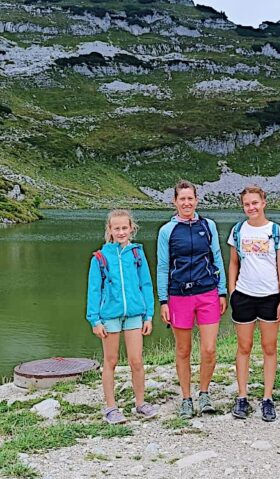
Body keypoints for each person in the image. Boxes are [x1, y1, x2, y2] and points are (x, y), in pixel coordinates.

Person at [157, 180, 227, 419]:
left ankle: (205, 393)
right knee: (183, 349)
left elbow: (217, 257)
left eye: (190, 198)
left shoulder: (208, 226)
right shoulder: (167, 231)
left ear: (196, 200)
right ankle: (186, 398)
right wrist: (163, 300)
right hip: (179, 296)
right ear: (175, 202)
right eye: (182, 199)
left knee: (209, 349)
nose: (186, 203)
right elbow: (163, 266)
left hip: (207, 292)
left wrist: (222, 291)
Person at [86, 208, 157, 423]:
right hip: (110, 316)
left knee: (136, 361)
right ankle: (110, 407)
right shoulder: (100, 257)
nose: (121, 232)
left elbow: (146, 284)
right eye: (116, 228)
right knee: (111, 361)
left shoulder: (137, 253)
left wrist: (149, 315)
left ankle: (140, 403)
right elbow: (94, 290)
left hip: (135, 314)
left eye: (124, 228)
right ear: (109, 229)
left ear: (131, 229)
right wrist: (95, 320)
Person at [227, 185, 280, 423]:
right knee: (244, 347)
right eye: (246, 204)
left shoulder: (276, 231)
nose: (251, 208)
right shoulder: (238, 231)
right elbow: (233, 263)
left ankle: (267, 398)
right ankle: (242, 396)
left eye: (255, 202)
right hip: (244, 295)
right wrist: (232, 291)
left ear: (264, 202)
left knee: (269, 347)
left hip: (270, 296)